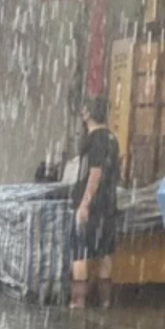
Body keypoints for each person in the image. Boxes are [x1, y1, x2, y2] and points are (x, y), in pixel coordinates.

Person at [69, 96, 120, 309]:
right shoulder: (112, 139)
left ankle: (78, 301)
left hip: (93, 204)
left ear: (88, 113)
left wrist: (84, 204)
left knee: (80, 252)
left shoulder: (95, 139)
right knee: (104, 252)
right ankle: (105, 301)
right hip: (108, 203)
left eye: (84, 109)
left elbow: (95, 173)